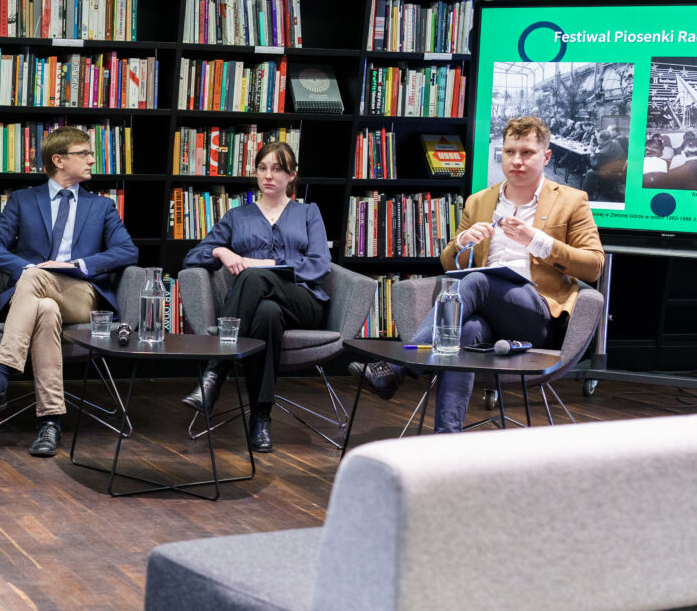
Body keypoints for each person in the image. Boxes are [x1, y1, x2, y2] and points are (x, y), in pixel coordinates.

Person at [352, 115, 605, 433]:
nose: (516, 161)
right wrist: (461, 242)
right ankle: (447, 440)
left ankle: (397, 367)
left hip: (535, 317)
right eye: (509, 151)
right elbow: (447, 263)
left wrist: (537, 241)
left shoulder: (571, 202)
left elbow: (594, 265)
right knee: (466, 330)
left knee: (477, 282)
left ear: (546, 156)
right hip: (484, 313)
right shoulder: (480, 201)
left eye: (526, 153)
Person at [0, 126, 139, 457]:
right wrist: (29, 271)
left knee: (38, 283)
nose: (92, 159)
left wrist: (78, 264)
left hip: (80, 294)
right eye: (84, 153)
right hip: (35, 295)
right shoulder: (24, 201)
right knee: (45, 310)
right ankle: (50, 422)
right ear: (58, 160)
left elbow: (127, 252)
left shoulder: (101, 207)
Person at [178, 141, 329, 452]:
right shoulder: (237, 216)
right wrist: (220, 250)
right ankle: (261, 418)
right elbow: (194, 256)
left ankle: (214, 373)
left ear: (291, 176)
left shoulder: (308, 213)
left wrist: (262, 264)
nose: (268, 175)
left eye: (277, 169)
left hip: (303, 301)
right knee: (267, 315)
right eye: (262, 168)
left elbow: (318, 265)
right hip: (259, 309)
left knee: (255, 275)